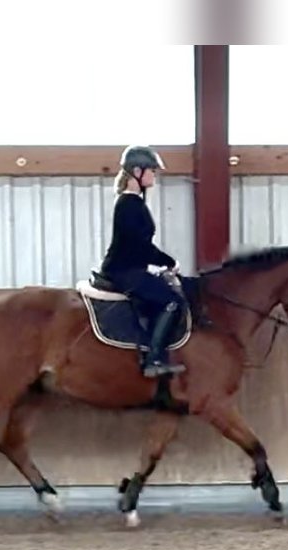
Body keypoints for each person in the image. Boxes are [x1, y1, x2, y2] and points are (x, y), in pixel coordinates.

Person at [97, 145, 185, 377]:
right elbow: (139, 246)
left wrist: (164, 262)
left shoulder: (133, 202)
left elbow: (141, 246)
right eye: (152, 171)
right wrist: (168, 261)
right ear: (137, 171)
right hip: (124, 271)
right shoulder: (129, 204)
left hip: (130, 268)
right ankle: (154, 360)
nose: (154, 175)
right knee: (172, 302)